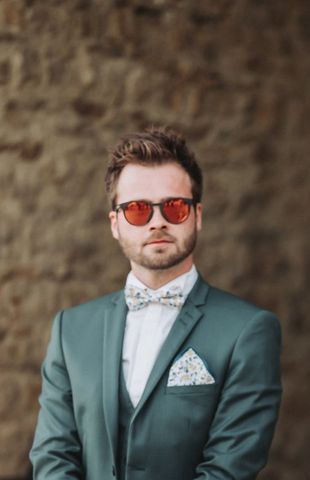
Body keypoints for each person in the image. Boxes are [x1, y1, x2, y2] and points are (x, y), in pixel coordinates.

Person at [30, 128, 282, 480]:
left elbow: (230, 468)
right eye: (137, 210)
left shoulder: (249, 330)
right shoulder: (69, 330)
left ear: (197, 215)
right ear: (115, 224)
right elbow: (53, 455)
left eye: (175, 207)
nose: (158, 221)